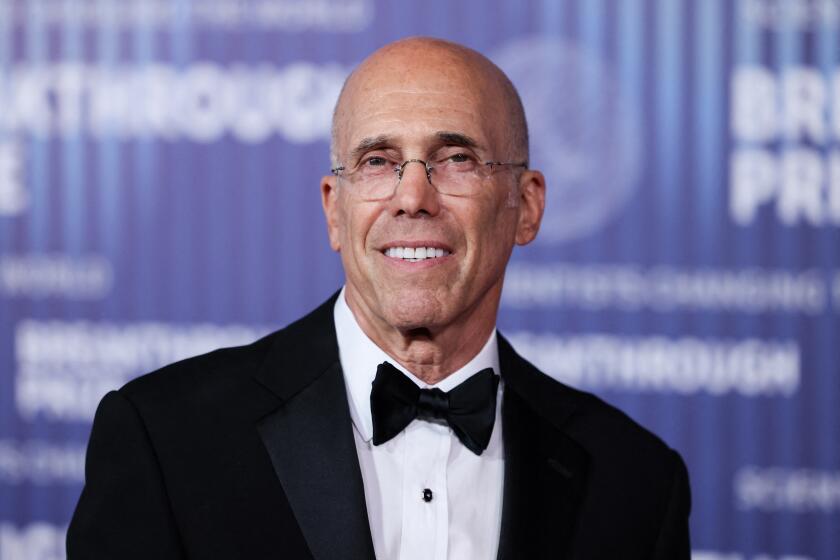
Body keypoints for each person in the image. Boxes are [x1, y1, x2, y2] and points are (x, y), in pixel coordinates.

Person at [67, 37, 691, 559]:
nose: (413, 196)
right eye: (376, 160)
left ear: (524, 207)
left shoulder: (635, 483)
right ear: (334, 212)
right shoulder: (167, 441)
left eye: (456, 159)